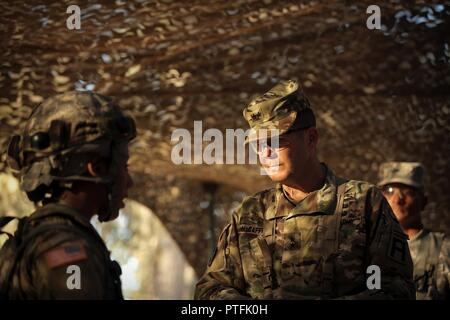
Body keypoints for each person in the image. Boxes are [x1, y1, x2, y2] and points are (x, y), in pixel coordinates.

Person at [195, 80, 415, 300]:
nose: (266, 154)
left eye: (276, 141)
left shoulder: (363, 202)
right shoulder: (250, 213)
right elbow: (210, 290)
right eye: (258, 145)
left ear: (311, 138)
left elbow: (395, 288)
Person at [0, 91, 136, 299]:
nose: (129, 181)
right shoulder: (66, 248)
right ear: (97, 168)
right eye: (123, 166)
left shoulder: (36, 235)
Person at [378, 162, 449, 300]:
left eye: (409, 192)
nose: (397, 199)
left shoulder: (441, 249)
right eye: (390, 190)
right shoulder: (366, 245)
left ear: (424, 201)